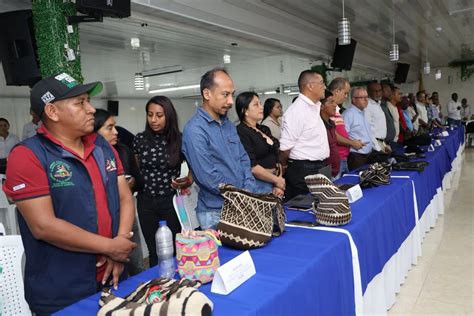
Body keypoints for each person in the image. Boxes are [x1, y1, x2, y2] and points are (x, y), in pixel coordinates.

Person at [2, 73, 136, 315]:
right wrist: (111, 247)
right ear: (52, 112)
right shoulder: (27, 155)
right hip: (63, 290)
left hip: (113, 276)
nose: (91, 109)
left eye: (88, 101)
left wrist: (121, 245)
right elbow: (44, 226)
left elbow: (124, 196)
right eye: (80, 102)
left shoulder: (101, 145)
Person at [182, 68, 256, 229]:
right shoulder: (195, 130)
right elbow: (207, 177)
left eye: (232, 94)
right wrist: (241, 195)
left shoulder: (228, 124)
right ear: (207, 94)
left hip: (242, 205)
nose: (231, 101)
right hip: (215, 213)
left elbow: (243, 159)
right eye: (225, 94)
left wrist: (248, 189)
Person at [133, 95, 190, 267]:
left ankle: (177, 287)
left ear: (169, 116)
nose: (153, 120)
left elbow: (193, 172)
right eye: (150, 115)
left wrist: (186, 182)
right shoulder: (140, 139)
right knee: (154, 250)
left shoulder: (179, 140)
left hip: (171, 202)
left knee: (174, 247)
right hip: (145, 202)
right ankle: (158, 286)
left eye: (159, 115)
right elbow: (137, 171)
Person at [93, 109, 145, 276]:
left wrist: (131, 184)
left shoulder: (122, 151)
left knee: (136, 264)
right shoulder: (89, 158)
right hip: (103, 222)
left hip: (127, 216)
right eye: (109, 128)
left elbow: (139, 180)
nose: (116, 132)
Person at [279, 70, 329, 200]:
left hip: (319, 167)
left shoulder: (314, 108)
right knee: (305, 211)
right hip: (304, 170)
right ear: (310, 86)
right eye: (322, 83)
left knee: (323, 207)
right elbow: (285, 149)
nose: (324, 87)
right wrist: (284, 166)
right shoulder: (297, 111)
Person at [235, 92, 285, 197]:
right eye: (256, 105)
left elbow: (275, 155)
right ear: (245, 111)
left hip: (275, 182)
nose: (261, 107)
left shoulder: (263, 129)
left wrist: (278, 182)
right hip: (259, 185)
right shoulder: (241, 132)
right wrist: (276, 180)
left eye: (260, 103)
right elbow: (251, 166)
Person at [328, 77, 364, 178]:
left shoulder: (336, 109)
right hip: (336, 159)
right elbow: (332, 134)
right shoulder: (328, 109)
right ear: (337, 91)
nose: (346, 96)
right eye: (345, 93)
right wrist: (352, 143)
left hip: (343, 158)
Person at [343, 87, 373, 170]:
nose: (366, 100)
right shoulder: (348, 114)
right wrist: (352, 143)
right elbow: (343, 135)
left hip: (367, 155)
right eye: (362, 98)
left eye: (367, 97)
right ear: (353, 100)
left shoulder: (363, 113)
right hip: (356, 156)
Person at [320, 90, 340, 179]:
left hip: (335, 170)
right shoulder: (318, 125)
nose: (335, 105)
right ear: (321, 106)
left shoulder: (331, 123)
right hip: (325, 172)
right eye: (331, 102)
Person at [365, 81, 391, 152]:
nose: (378, 93)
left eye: (379, 91)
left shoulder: (378, 104)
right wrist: (378, 148)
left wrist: (384, 145)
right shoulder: (367, 106)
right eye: (375, 91)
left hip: (382, 142)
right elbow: (367, 129)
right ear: (368, 92)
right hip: (374, 145)